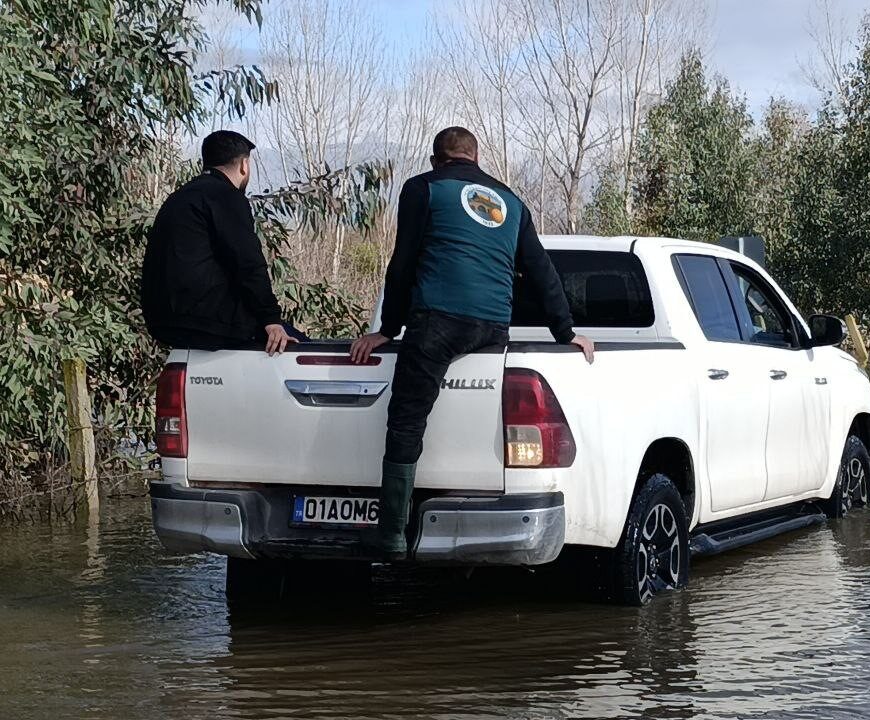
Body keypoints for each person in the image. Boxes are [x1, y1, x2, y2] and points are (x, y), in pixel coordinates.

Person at [349, 126, 594, 558]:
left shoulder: (423, 189)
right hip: (492, 329)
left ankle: (390, 534)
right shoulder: (511, 203)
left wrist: (389, 328)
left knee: (406, 419)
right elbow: (540, 270)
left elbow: (403, 262)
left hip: (438, 322)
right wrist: (566, 332)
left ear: (435, 160)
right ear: (475, 159)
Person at [142, 130, 298, 354]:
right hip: (208, 321)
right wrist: (271, 319)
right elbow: (248, 262)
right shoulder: (226, 197)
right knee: (296, 346)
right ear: (244, 165)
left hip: (163, 321)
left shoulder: (179, 197)